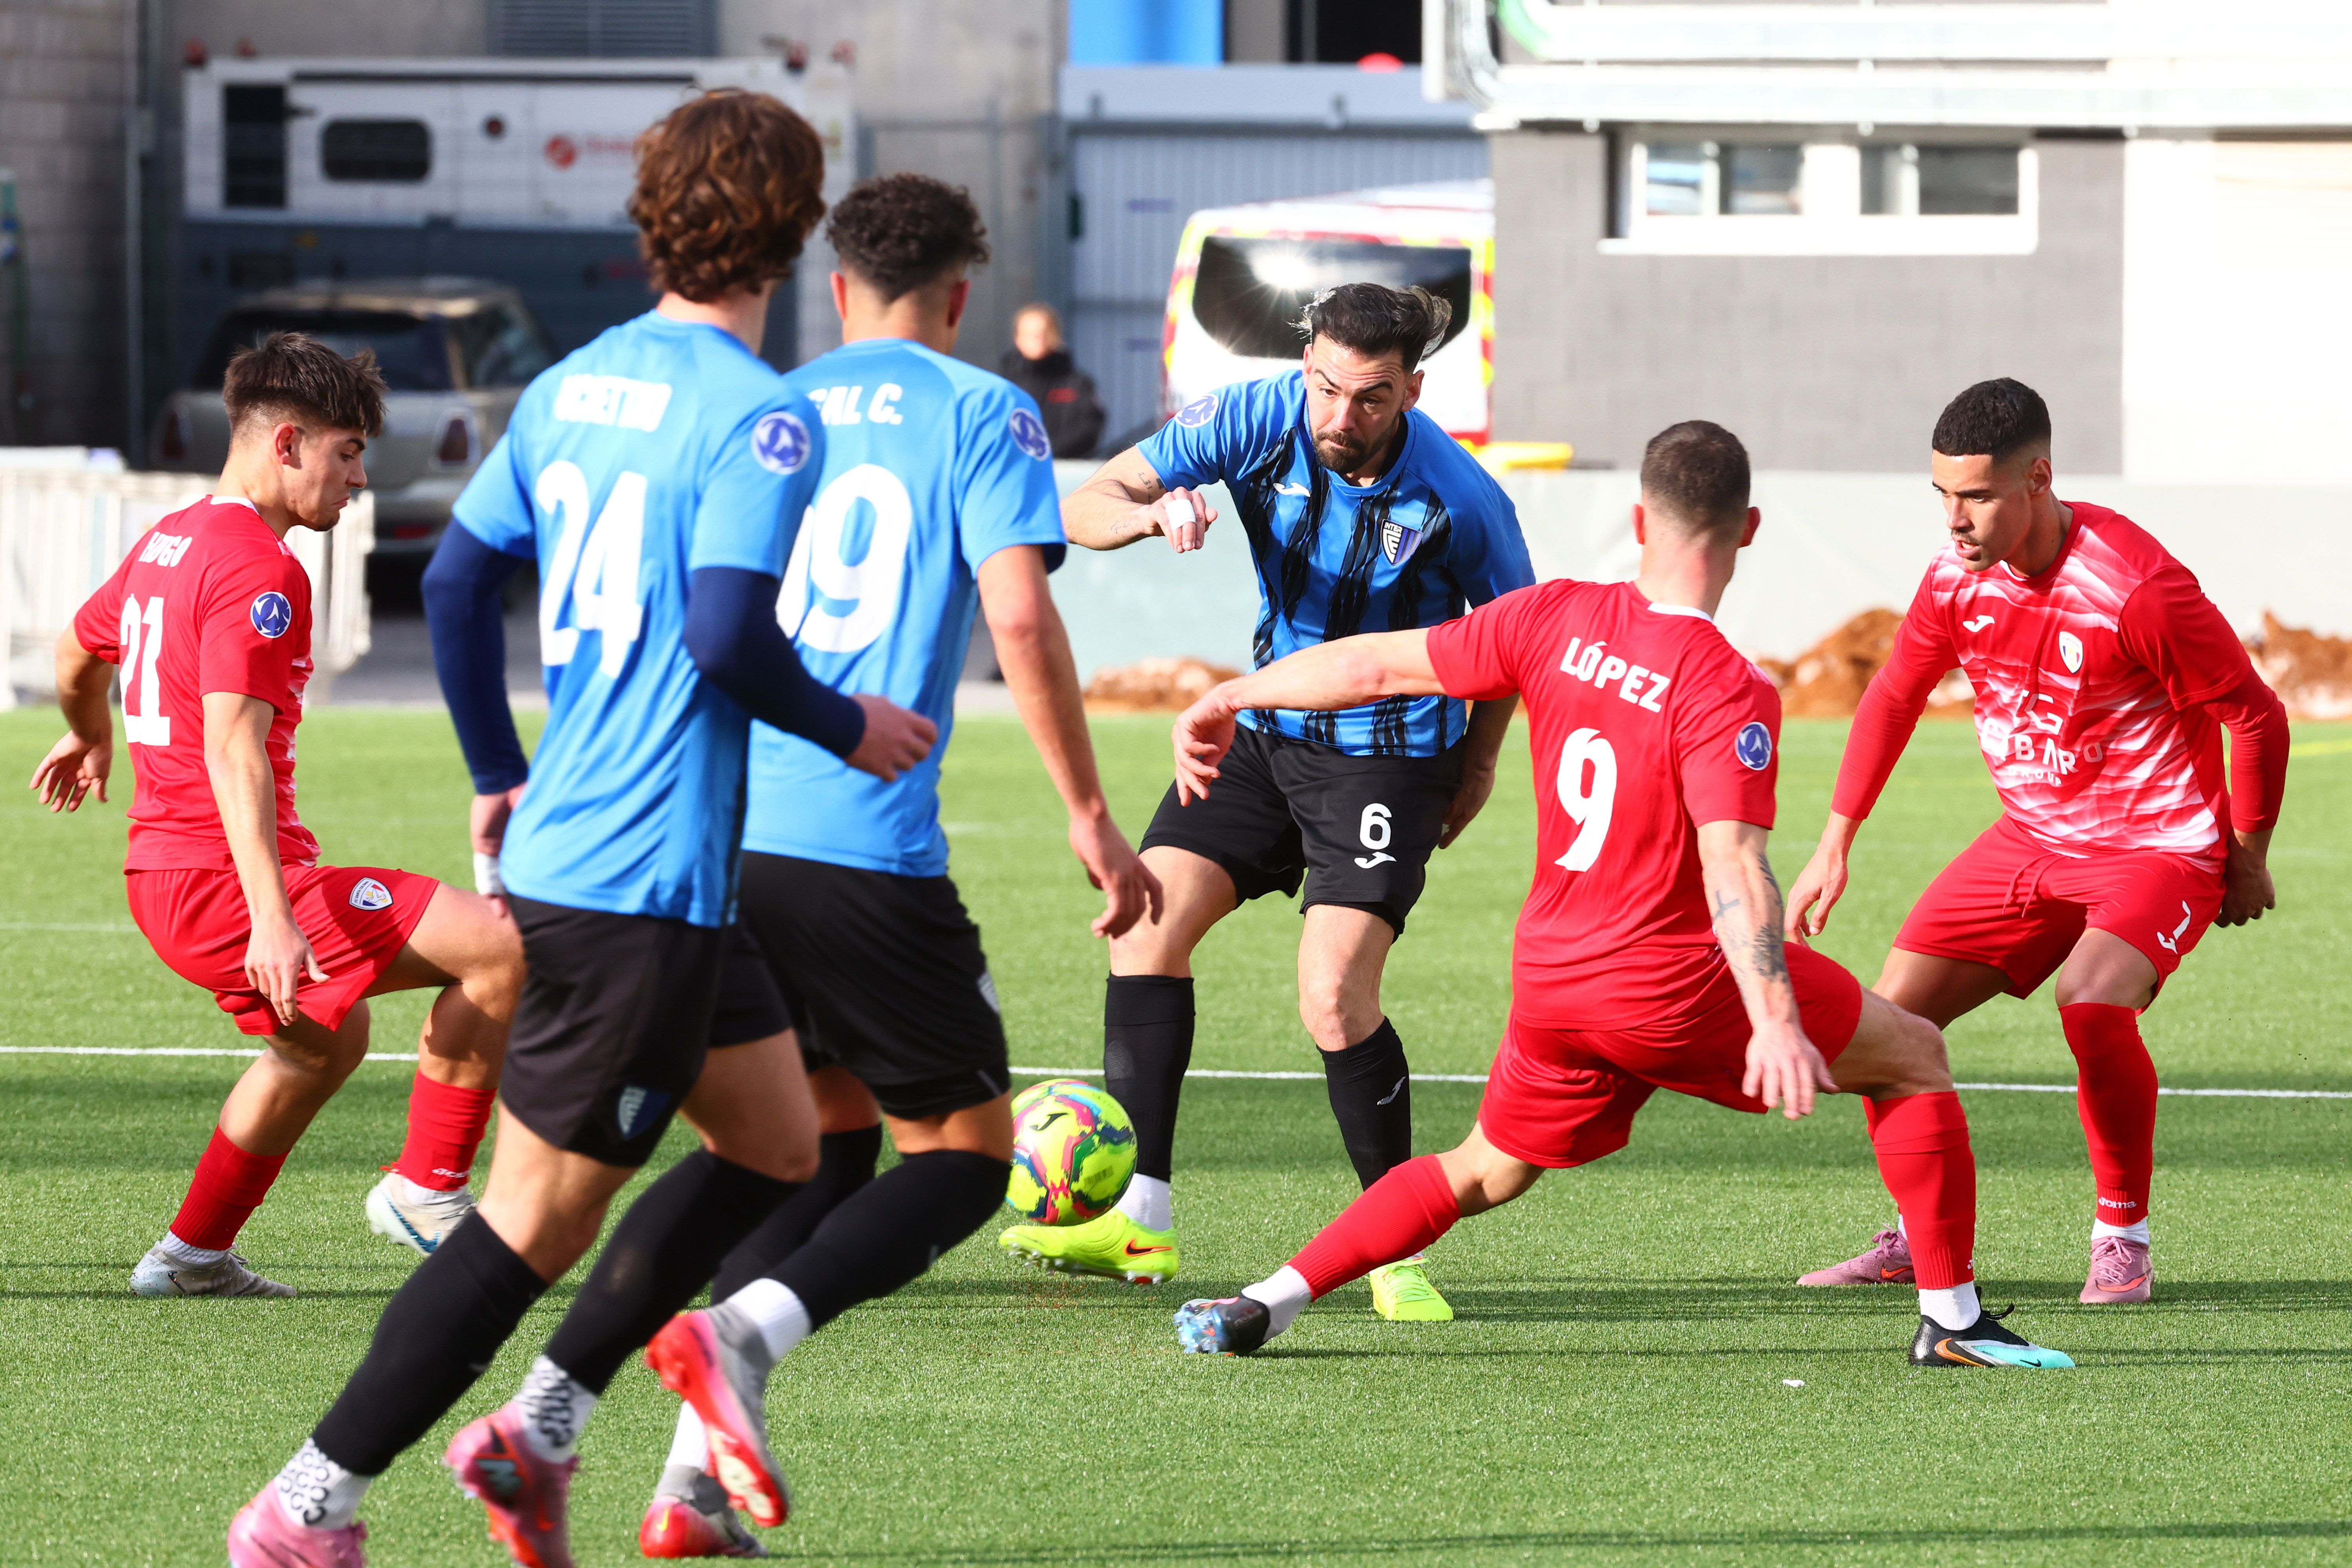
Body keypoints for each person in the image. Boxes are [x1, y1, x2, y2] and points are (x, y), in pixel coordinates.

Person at [227, 89, 935, 1568]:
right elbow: (730, 633)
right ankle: (309, 1502)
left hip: (607, 853)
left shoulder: (570, 385)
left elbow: (453, 582)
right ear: (798, 232)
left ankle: (539, 1429)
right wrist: (848, 723)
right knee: (529, 1223)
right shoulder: (765, 415)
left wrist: (498, 764)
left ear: (650, 220)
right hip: (639, 881)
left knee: (781, 1142)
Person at [1165, 421, 2073, 1372]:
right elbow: (1732, 866)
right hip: (1672, 979)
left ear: (1639, 519)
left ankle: (1267, 1300)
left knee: (1483, 1168)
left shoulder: (1552, 616)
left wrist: (1236, 695)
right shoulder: (1728, 685)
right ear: (1749, 528)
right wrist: (1771, 1016)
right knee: (1916, 1057)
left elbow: (1370, 665)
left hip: (1554, 980)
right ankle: (1954, 1320)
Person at [634, 172, 1162, 1555]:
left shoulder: (772, 405)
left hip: (725, 833)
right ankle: (740, 1332)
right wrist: (1091, 811)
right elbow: (1022, 623)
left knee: (819, 1140)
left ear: (837, 287)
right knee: (970, 1156)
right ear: (965, 295)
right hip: (863, 850)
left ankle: (693, 1484)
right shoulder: (986, 408)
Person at [998, 282, 1535, 1322]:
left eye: (1371, 398)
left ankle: (1393, 1241)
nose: (1339, 417)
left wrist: (1475, 769)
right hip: (1264, 731)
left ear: (1414, 390)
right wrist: (1154, 514)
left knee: (1333, 993)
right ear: (1305, 371)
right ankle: (1140, 1213)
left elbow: (1514, 645)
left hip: (1388, 758)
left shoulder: (1464, 498)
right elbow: (1083, 503)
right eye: (1325, 387)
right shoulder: (1256, 418)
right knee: (1147, 922)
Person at [30, 332, 519, 1298]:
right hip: (224, 882)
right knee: (501, 946)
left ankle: (190, 1254)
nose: (359, 477)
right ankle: (427, 1186)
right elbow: (231, 746)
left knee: (318, 1043)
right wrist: (271, 913)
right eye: (346, 452)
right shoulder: (263, 570)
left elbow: (78, 651)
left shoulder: (166, 541)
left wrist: (90, 734)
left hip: (163, 876)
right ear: (287, 443)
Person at [1786, 379, 2290, 1305]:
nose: (1954, 519)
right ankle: (1913, 1240)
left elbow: (2254, 717)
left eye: (1974, 495)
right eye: (1941, 495)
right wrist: (1835, 840)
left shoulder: (2136, 587)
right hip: (2029, 839)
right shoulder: (1951, 577)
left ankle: (2122, 1239)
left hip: (2157, 847)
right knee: (1887, 1025)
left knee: (2091, 1002)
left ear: (2038, 478)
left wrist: (2245, 855)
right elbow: (1895, 694)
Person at [999, 301, 1105, 458]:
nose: (1038, 340)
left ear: (1056, 335)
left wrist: (1048, 456)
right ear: (1018, 338)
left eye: (1044, 333)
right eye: (1031, 335)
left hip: (1065, 472)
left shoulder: (1077, 384)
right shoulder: (1004, 386)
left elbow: (1089, 429)